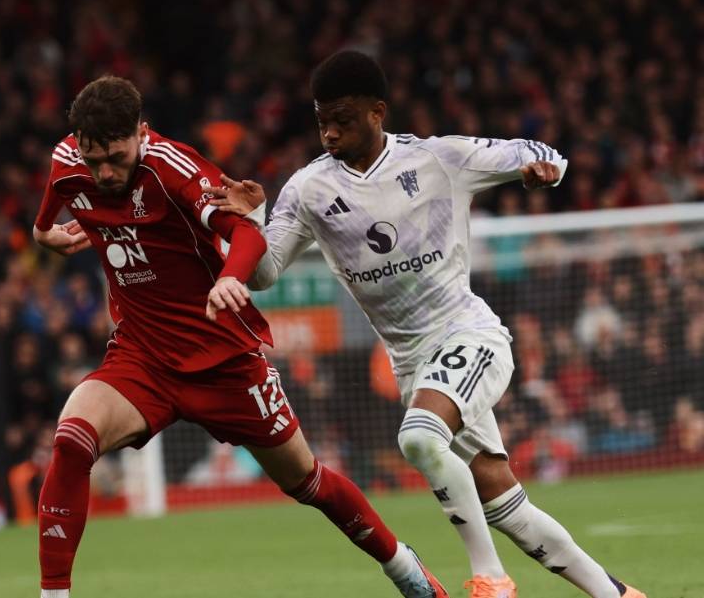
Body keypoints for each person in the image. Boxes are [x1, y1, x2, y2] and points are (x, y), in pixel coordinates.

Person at [205, 51, 647, 598]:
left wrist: (546, 171)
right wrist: (251, 219)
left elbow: (539, 152)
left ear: (377, 112)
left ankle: (491, 579)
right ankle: (617, 594)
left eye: (343, 119)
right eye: (322, 121)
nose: (330, 133)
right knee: (504, 504)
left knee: (417, 436)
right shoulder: (308, 189)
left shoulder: (439, 159)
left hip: (469, 335)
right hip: (414, 365)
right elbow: (266, 273)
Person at [32, 75, 448, 598]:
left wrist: (230, 277)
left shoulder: (175, 168)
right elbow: (56, 197)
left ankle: (403, 566)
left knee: (307, 482)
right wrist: (43, 231)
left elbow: (247, 232)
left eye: (116, 157)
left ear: (141, 132)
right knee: (73, 439)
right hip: (143, 357)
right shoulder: (70, 161)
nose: (105, 173)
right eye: (95, 161)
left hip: (224, 360)